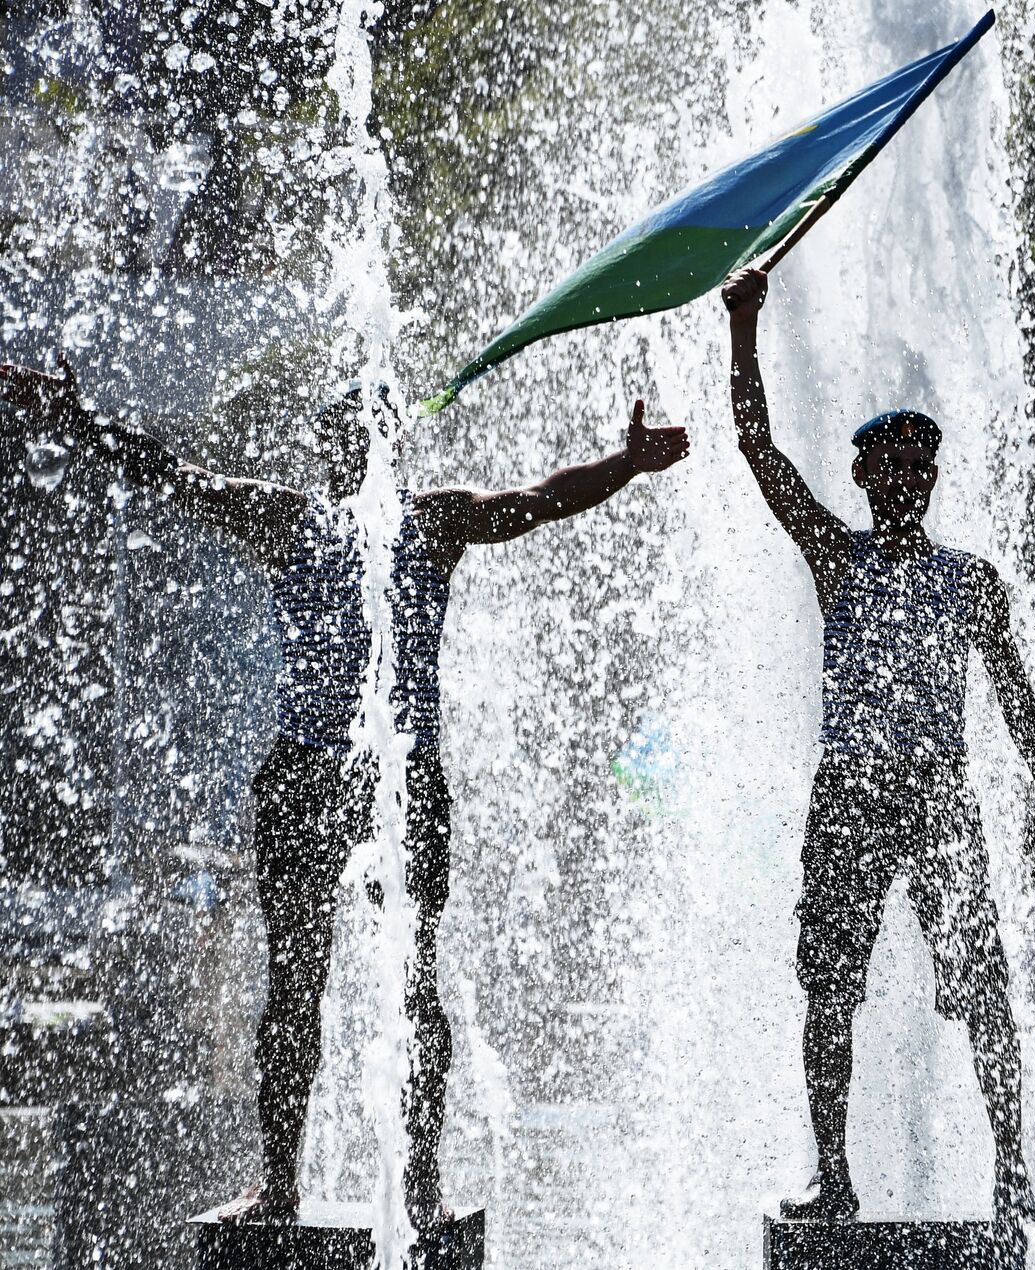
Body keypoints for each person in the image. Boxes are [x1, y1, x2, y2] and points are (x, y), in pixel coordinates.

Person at [0, 359, 689, 1227]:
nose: (363, 448)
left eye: (378, 433)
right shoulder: (290, 520)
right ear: (326, 450)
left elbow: (541, 498)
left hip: (400, 775)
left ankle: (423, 1186)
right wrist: (84, 420)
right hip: (305, 771)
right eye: (347, 434)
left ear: (396, 447)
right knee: (295, 980)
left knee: (415, 980)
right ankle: (281, 1184)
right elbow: (177, 478)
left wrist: (621, 467)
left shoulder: (436, 521)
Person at [720, 266, 1035, 1246]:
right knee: (830, 985)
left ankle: (1012, 1172)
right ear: (867, 476)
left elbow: (1014, 696)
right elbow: (757, 448)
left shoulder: (972, 580)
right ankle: (834, 1177)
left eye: (925, 464)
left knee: (983, 986)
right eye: (894, 464)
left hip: (939, 796)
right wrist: (745, 327)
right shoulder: (839, 557)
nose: (911, 476)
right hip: (850, 793)